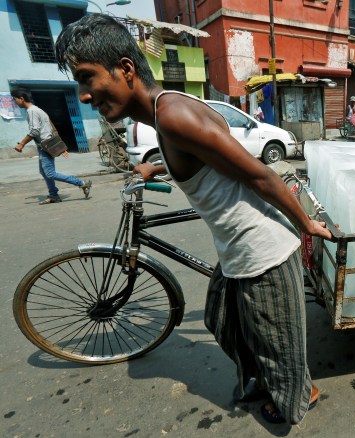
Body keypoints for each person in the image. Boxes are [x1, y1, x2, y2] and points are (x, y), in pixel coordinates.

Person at [55, 14, 332, 425]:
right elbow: (210, 162)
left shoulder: (173, 117)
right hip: (238, 248)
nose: (83, 95)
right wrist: (157, 169)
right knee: (222, 319)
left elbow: (259, 173)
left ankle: (300, 394)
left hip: (262, 249)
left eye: (86, 78)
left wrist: (307, 224)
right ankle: (265, 379)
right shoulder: (168, 114)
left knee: (277, 341)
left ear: (126, 69)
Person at [11, 88, 92, 205]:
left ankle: (81, 183)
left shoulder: (31, 111)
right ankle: (54, 195)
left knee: (49, 173)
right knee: (44, 172)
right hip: (45, 145)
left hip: (45, 145)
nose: (15, 103)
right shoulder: (37, 110)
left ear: (21, 99)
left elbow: (34, 131)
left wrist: (22, 143)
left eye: (15, 100)